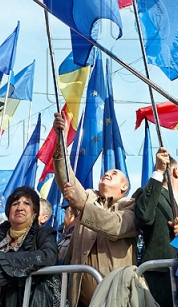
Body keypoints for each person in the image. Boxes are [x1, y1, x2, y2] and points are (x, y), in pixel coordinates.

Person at [52, 113, 138, 307]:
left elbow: (116, 226)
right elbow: (67, 178)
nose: (107, 174)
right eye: (105, 173)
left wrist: (82, 207)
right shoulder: (89, 197)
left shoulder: (131, 206)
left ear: (124, 187)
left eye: (114, 174)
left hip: (117, 300)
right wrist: (60, 140)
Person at [0, 186, 59, 307]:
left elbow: (48, 256)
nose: (20, 207)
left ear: (34, 211)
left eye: (26, 203)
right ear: (8, 211)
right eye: (15, 203)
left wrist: (1, 260)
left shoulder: (44, 233)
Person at [133, 145, 178, 307]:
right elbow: (144, 216)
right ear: (175, 172)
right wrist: (158, 172)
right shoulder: (150, 195)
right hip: (161, 277)